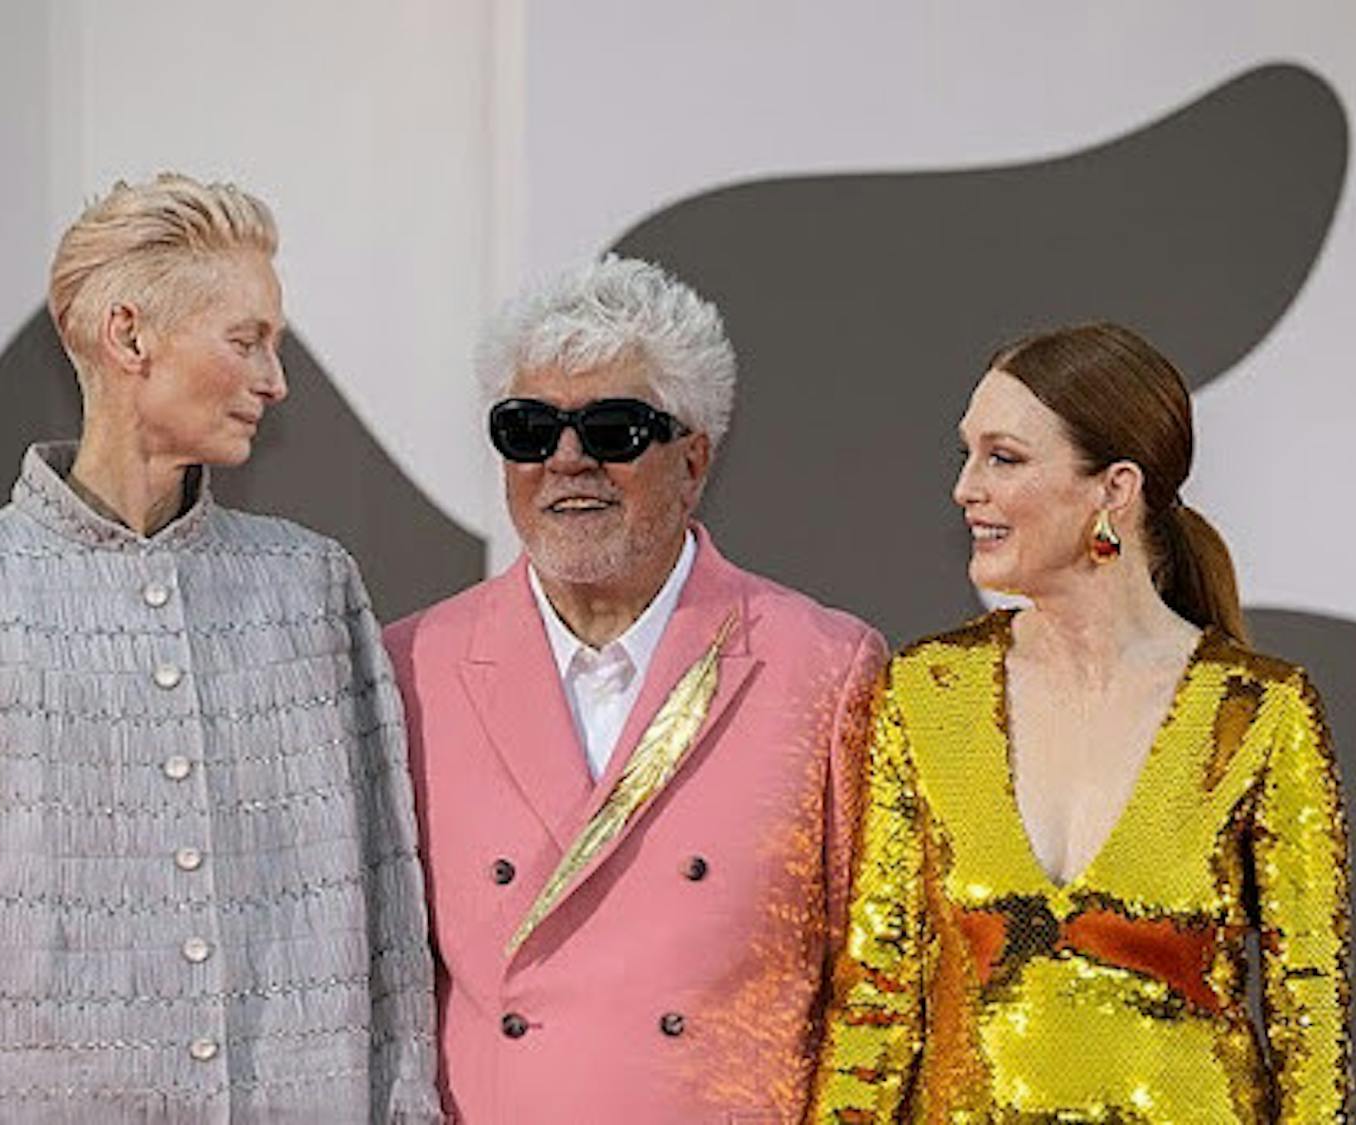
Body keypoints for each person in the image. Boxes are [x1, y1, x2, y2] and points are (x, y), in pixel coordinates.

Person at [0, 173, 438, 1122]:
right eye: (246, 340)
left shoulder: (313, 586)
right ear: (132, 337)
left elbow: (390, 920)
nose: (275, 380)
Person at [383, 255, 886, 1123]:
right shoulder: (412, 666)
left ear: (694, 460)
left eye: (614, 429)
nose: (567, 459)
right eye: (528, 429)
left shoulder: (825, 670)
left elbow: (874, 990)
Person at [808, 322, 1350, 1121]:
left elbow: (1314, 1019)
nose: (965, 487)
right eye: (967, 453)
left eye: (1004, 457)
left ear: (1114, 490)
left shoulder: (1259, 710)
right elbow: (875, 1005)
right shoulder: (926, 693)